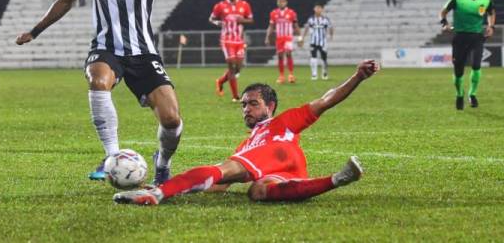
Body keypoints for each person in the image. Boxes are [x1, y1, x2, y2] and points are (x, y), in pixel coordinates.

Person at [15, 0, 198, 184]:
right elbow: (67, 0)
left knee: (172, 120)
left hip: (144, 52)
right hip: (106, 48)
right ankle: (112, 156)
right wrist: (35, 31)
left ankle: (162, 163)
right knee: (98, 80)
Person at [112, 60, 380, 206]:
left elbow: (326, 99)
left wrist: (357, 77)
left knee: (224, 167)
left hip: (278, 150)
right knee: (258, 191)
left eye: (253, 103)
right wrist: (182, 190)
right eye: (243, 105)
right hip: (290, 171)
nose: (246, 110)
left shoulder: (285, 121)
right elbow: (220, 185)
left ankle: (157, 195)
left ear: (270, 106)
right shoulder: (246, 144)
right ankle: (336, 179)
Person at [439, 0, 496, 110]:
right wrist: (444, 23)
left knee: (476, 65)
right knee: (458, 71)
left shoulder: (485, 0)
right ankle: (459, 94)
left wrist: (490, 26)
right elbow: (443, 12)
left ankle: (472, 94)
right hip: (460, 37)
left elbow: (491, 13)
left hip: (477, 37)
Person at [210, 0, 254, 102]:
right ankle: (235, 96)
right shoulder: (220, 5)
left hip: (239, 40)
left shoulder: (244, 5)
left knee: (238, 67)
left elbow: (251, 19)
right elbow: (211, 18)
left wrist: (243, 20)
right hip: (226, 39)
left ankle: (220, 81)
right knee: (231, 64)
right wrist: (218, 23)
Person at [264, 0, 302, 84]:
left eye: (282, 2)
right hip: (279, 38)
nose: (281, 3)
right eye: (279, 2)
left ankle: (291, 75)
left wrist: (300, 37)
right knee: (280, 56)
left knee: (288, 53)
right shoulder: (274, 13)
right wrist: (267, 37)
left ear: (286, 2)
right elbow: (271, 26)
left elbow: (296, 25)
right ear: (277, 3)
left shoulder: (291, 12)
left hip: (288, 37)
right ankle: (281, 76)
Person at [303, 4, 333, 80]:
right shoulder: (311, 19)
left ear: (322, 9)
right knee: (313, 57)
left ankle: (324, 73)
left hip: (323, 41)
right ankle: (314, 74)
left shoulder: (325, 19)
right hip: (313, 41)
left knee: (324, 58)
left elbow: (330, 27)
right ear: (314, 9)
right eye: (317, 8)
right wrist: (303, 37)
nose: (318, 9)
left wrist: (330, 36)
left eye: (320, 8)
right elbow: (306, 28)